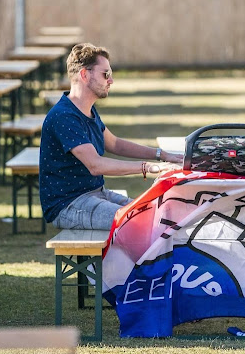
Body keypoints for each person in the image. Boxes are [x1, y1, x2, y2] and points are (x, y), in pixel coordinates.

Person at [39, 43, 182, 230]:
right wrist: (149, 168)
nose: (111, 81)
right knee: (142, 223)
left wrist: (161, 155)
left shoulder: (86, 110)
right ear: (84, 74)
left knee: (157, 213)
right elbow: (95, 165)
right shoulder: (64, 116)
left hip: (96, 193)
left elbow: (114, 144)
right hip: (68, 205)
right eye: (106, 74)